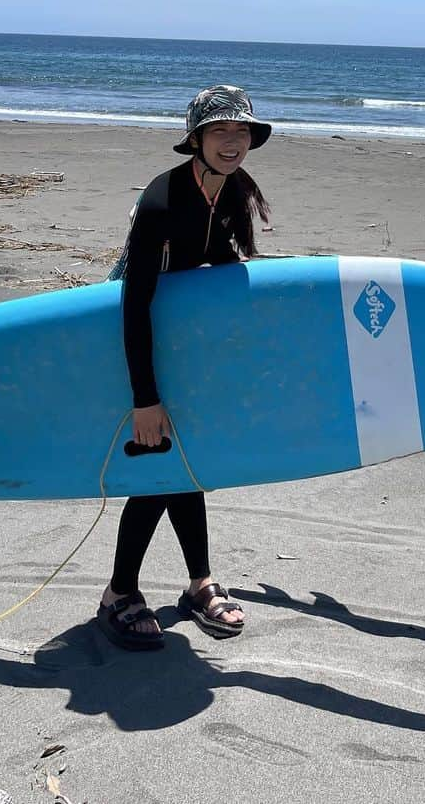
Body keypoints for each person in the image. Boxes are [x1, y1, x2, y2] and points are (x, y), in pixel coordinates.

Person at [97, 86, 272, 650]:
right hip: (140, 342)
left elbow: (220, 268)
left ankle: (197, 581)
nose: (232, 141)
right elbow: (133, 302)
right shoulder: (161, 202)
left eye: (241, 131)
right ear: (195, 139)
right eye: (220, 131)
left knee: (186, 464)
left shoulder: (231, 191)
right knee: (158, 469)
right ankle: (120, 592)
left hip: (183, 343)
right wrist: (143, 398)